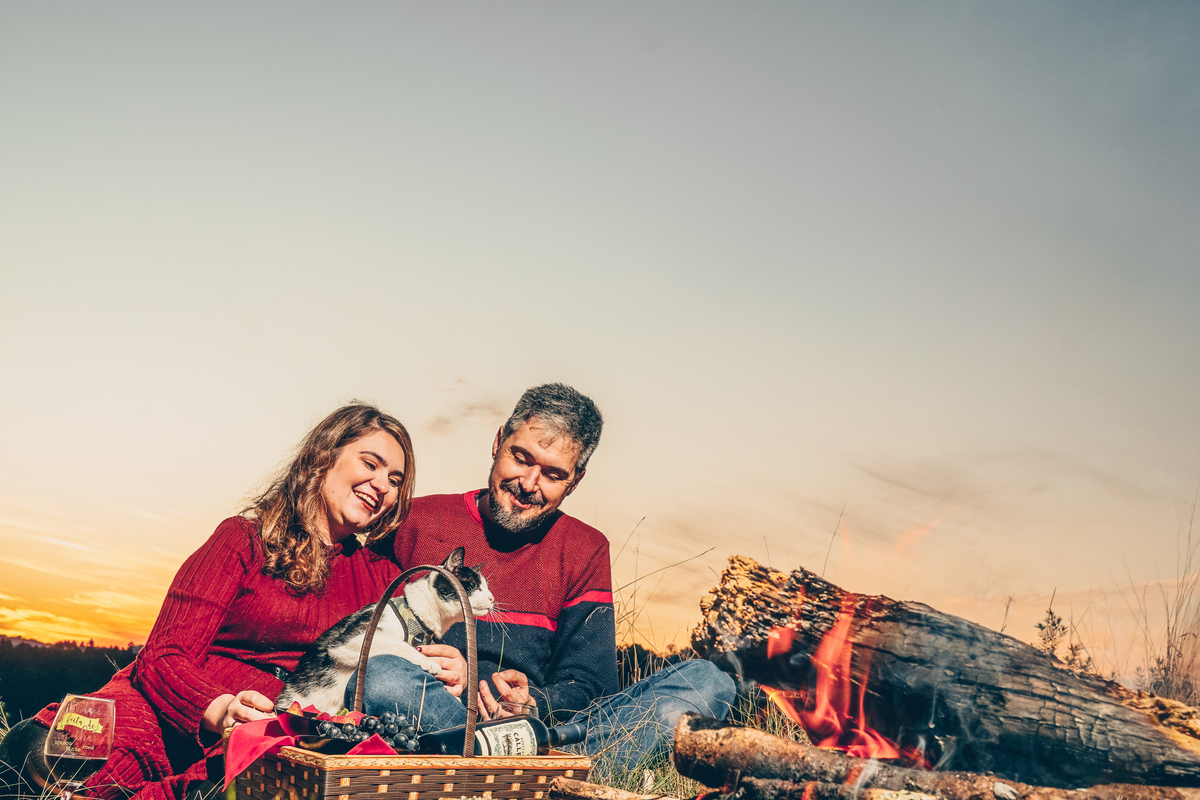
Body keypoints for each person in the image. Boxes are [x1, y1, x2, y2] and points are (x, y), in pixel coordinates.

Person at [0, 404, 469, 800]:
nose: (382, 484)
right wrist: (219, 707)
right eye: (370, 464)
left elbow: (412, 644)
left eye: (394, 478)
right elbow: (163, 655)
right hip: (168, 709)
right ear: (323, 456)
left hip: (272, 735)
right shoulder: (243, 540)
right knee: (46, 760)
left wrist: (452, 667)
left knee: (232, 783)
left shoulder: (379, 580)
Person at [358, 383, 737, 769]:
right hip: (435, 715)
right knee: (384, 677)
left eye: (553, 474)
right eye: (521, 458)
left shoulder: (585, 549)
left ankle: (528, 772)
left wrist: (535, 703)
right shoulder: (416, 519)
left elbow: (592, 688)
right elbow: (358, 628)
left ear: (576, 481)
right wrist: (447, 677)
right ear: (498, 441)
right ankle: (526, 778)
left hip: (540, 736)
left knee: (708, 682)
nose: (528, 484)